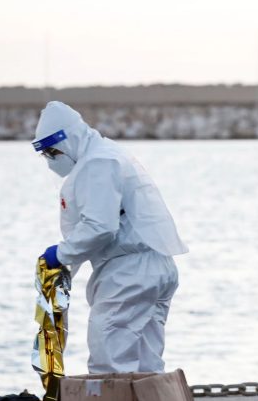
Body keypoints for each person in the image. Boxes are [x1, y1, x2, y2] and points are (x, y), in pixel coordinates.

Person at [32, 101, 188, 374]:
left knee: (110, 361)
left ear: (70, 139)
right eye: (45, 154)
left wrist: (61, 254)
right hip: (154, 265)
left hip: (130, 273)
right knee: (147, 365)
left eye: (53, 151)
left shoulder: (97, 163)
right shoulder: (108, 153)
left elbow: (100, 227)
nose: (50, 159)